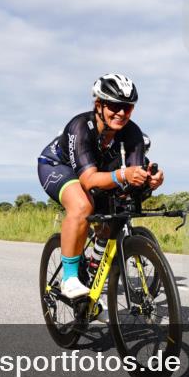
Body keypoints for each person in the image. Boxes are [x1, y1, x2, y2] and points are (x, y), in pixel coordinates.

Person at [37, 74, 164, 299]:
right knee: (82, 205)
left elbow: (131, 177)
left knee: (111, 217)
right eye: (115, 106)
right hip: (58, 166)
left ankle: (93, 276)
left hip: (97, 170)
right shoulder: (80, 126)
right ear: (99, 105)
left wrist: (149, 181)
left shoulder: (132, 131)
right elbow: (88, 180)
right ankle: (69, 278)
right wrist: (124, 174)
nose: (122, 113)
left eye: (127, 107)